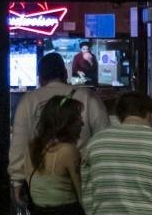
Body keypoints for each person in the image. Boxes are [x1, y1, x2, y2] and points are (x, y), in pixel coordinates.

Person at [8, 51, 107, 201]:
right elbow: (104, 136)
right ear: (65, 74)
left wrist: (17, 181)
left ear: (40, 78)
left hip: (43, 181)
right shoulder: (87, 97)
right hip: (85, 177)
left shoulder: (28, 100)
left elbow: (19, 144)